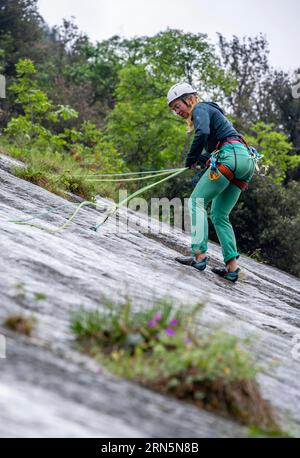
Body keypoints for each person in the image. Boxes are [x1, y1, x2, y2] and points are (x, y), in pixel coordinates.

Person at [167, 82, 256, 282]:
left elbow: (203, 133)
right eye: (173, 109)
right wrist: (201, 159)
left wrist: (190, 158)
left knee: (196, 201)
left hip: (230, 156)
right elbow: (214, 145)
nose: (176, 111)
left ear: (188, 99)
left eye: (177, 106)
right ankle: (233, 268)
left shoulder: (200, 108)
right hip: (245, 161)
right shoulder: (212, 113)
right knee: (220, 214)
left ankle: (199, 255)